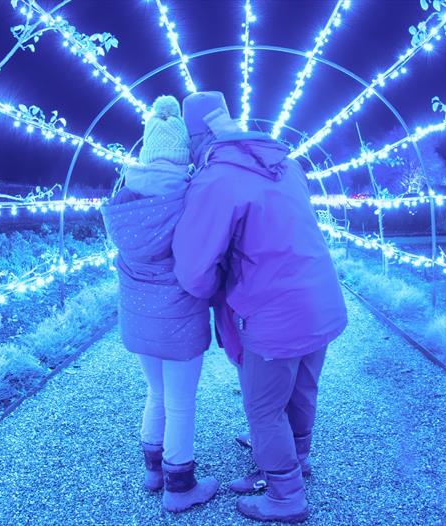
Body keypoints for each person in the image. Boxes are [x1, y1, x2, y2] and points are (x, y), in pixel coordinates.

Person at [172, 91, 348, 523]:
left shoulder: (216, 180)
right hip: (321, 300)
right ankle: (296, 463)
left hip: (274, 313)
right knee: (302, 389)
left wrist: (220, 287)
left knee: (264, 408)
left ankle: (286, 495)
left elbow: (193, 268)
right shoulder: (285, 163)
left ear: (196, 138)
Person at [100, 95, 218, 513]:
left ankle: (152, 470)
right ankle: (179, 488)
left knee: (155, 392)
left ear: (148, 149)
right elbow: (202, 260)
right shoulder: (192, 197)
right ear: (182, 151)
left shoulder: (124, 201)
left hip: (139, 323)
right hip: (180, 319)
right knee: (181, 401)